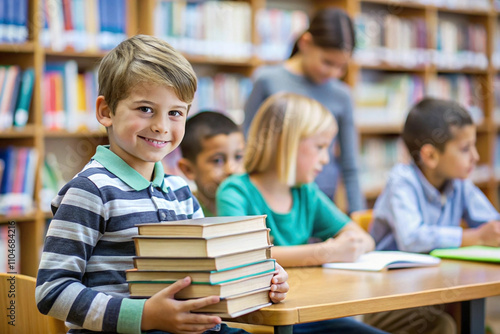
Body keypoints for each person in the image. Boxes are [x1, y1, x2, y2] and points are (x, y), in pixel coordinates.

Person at [35, 35, 289, 334]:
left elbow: (206, 270)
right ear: (106, 112)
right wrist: (143, 315)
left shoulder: (180, 191)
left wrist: (261, 277)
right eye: (145, 109)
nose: (161, 126)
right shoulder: (90, 190)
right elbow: (52, 291)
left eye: (175, 113)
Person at [217, 92, 387, 334]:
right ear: (286, 143)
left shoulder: (306, 192)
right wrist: (326, 252)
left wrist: (347, 247)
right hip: (255, 319)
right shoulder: (235, 191)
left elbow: (363, 238)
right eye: (319, 147)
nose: (326, 159)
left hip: (304, 311)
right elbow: (241, 257)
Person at [364, 97, 500, 333]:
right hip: (388, 299)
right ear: (430, 156)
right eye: (465, 149)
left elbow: (491, 225)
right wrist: (474, 237)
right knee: (446, 326)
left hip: (436, 291)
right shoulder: (401, 182)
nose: (476, 157)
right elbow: (413, 238)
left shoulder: (459, 183)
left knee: (476, 325)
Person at [243, 8, 363, 213]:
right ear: (305, 43)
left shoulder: (342, 94)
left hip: (322, 196)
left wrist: (358, 214)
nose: (334, 73)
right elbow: (247, 142)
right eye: (327, 62)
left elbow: (350, 162)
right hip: (273, 196)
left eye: (342, 66)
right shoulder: (267, 80)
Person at [178, 111, 245, 217]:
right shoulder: (186, 215)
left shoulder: (253, 205)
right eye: (217, 160)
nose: (231, 169)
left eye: (238, 157)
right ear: (188, 169)